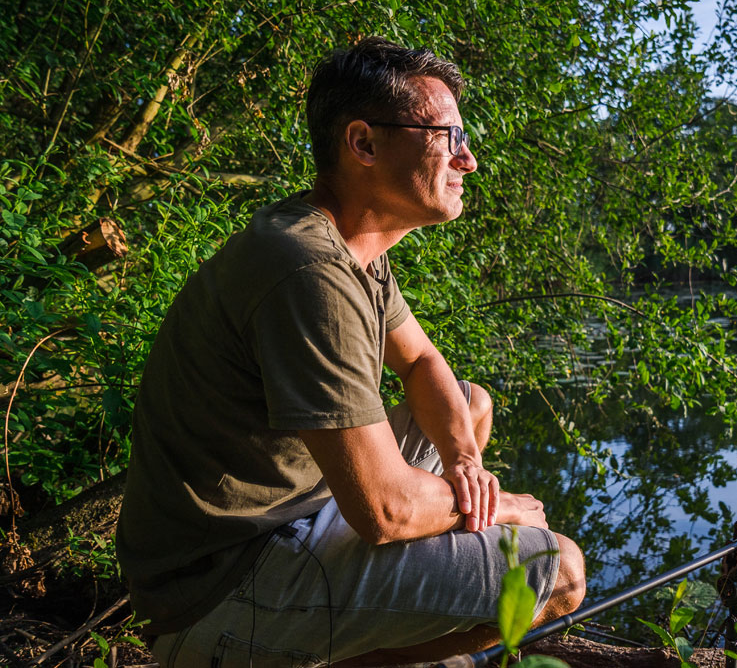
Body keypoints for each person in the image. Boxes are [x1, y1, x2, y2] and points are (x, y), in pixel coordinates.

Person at [115, 37, 586, 668]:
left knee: (468, 405)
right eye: (447, 136)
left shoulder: (349, 246)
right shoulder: (308, 270)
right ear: (363, 143)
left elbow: (422, 363)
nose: (467, 159)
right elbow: (385, 511)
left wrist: (465, 466)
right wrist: (500, 507)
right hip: (214, 590)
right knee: (558, 572)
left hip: (288, 516)